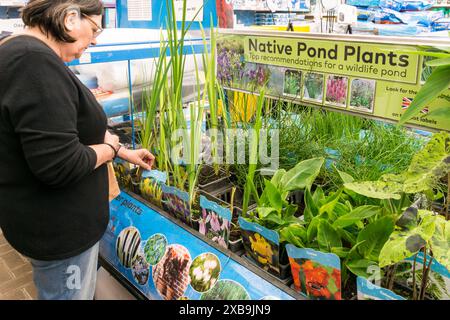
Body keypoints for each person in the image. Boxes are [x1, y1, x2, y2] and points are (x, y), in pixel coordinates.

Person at [0, 0, 155, 300]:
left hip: (42, 224)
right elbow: (60, 165)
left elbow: (60, 131)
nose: (95, 39)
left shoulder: (16, 48)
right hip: (60, 235)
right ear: (70, 18)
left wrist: (122, 150)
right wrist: (109, 150)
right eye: (94, 28)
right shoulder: (34, 64)